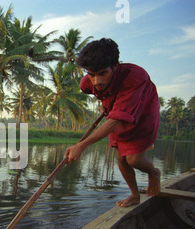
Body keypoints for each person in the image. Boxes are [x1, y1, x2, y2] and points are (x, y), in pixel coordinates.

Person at [64, 38, 161, 207]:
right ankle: (135, 194)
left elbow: (117, 119)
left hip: (144, 112)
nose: (97, 81)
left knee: (133, 159)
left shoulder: (135, 77)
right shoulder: (86, 83)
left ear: (115, 66)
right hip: (117, 110)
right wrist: (105, 105)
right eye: (91, 74)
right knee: (121, 158)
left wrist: (82, 145)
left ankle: (154, 172)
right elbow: (99, 93)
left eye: (102, 73)